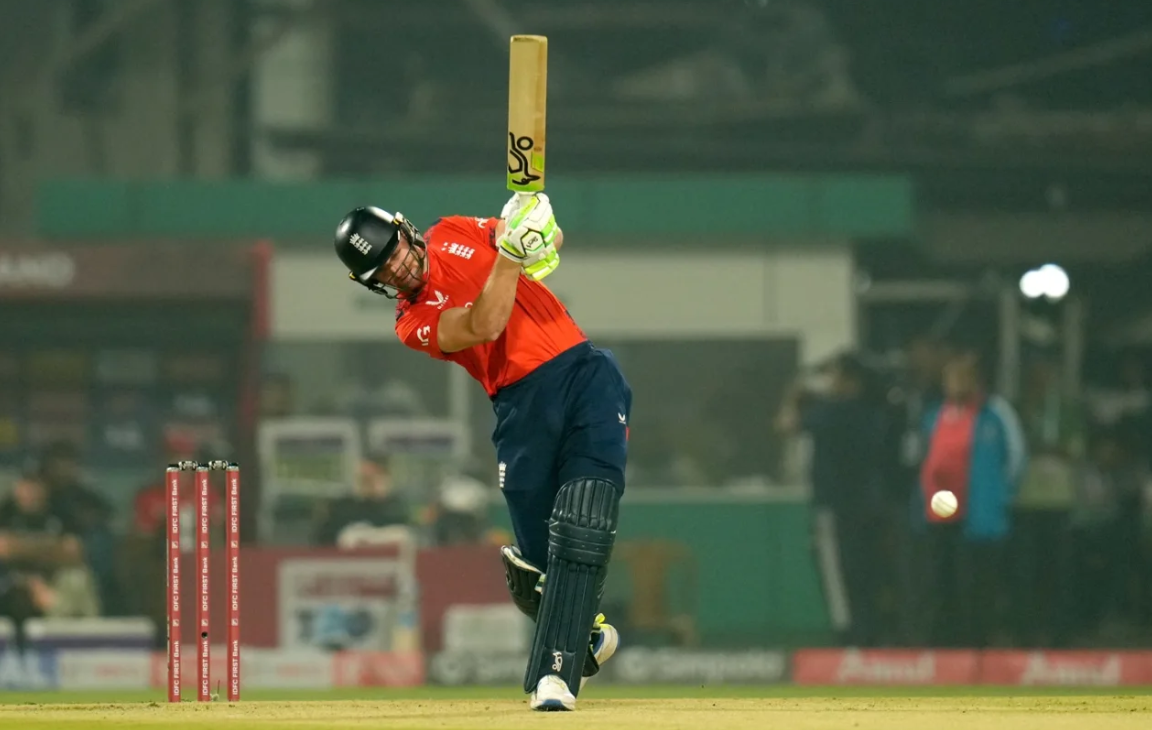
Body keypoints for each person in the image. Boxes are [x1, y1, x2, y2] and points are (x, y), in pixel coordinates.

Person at [332, 194, 631, 711]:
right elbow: (483, 325)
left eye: (397, 251)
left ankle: (553, 679)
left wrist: (537, 229)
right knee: (536, 570)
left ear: (406, 231)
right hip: (519, 405)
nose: (400, 268)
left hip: (582, 373)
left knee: (584, 518)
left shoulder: (452, 230)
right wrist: (513, 256)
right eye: (385, 270)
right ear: (373, 283)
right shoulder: (412, 322)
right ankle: (585, 637)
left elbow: (547, 245)